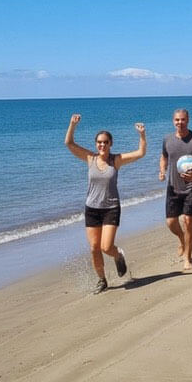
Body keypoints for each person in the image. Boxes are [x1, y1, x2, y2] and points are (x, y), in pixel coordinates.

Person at [65, 114, 146, 294]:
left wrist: (142, 136)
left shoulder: (115, 161)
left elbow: (140, 153)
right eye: (99, 142)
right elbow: (69, 144)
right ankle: (102, 280)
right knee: (94, 248)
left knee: (106, 247)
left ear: (111, 144)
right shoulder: (90, 158)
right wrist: (72, 125)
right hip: (92, 208)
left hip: (111, 208)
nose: (102, 145)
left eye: (105, 142)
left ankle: (118, 256)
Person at [159, 108, 192, 270]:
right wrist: (162, 170)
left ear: (188, 120)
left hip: (191, 187)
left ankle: (188, 257)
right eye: (177, 120)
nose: (180, 122)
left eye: (183, 120)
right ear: (173, 121)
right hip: (173, 187)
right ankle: (182, 239)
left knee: (188, 222)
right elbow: (164, 157)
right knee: (171, 222)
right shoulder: (167, 139)